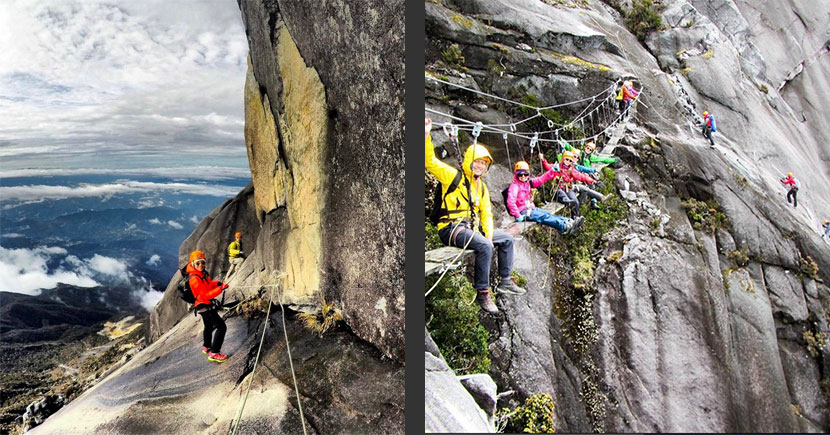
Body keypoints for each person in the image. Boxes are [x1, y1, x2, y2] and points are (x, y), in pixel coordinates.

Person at [425, 118, 524, 312]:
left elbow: (486, 213)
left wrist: (487, 234)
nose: (480, 166)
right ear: (470, 161)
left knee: (505, 239)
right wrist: (426, 136)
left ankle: (505, 280)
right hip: (451, 227)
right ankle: (483, 293)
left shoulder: (482, 188)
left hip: (471, 228)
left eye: (483, 163)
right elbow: (430, 162)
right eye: (477, 162)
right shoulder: (452, 175)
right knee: (485, 246)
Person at [506, 160, 585, 235]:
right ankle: (564, 226)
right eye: (520, 174)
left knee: (547, 214)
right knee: (544, 217)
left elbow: (541, 180)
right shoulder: (514, 187)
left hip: (530, 208)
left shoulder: (528, 183)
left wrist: (552, 171)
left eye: (525, 174)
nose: (523, 176)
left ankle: (569, 221)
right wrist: (517, 215)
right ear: (516, 174)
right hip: (523, 211)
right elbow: (510, 202)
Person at [187, 250, 229, 362]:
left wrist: (217, 284)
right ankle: (214, 352)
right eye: (198, 263)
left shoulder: (202, 274)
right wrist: (220, 289)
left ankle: (207, 347)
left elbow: (208, 285)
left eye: (203, 262)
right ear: (193, 264)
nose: (201, 265)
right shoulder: (194, 278)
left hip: (204, 305)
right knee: (221, 327)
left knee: (209, 326)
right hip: (203, 305)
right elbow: (204, 295)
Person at [547, 151, 606, 218]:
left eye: (570, 160)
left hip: (568, 188)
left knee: (575, 201)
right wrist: (543, 160)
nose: (568, 161)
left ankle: (575, 217)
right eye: (567, 159)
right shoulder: (556, 167)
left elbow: (581, 176)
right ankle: (568, 202)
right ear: (563, 158)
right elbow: (547, 166)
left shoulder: (571, 169)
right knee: (561, 194)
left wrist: (593, 181)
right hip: (558, 189)